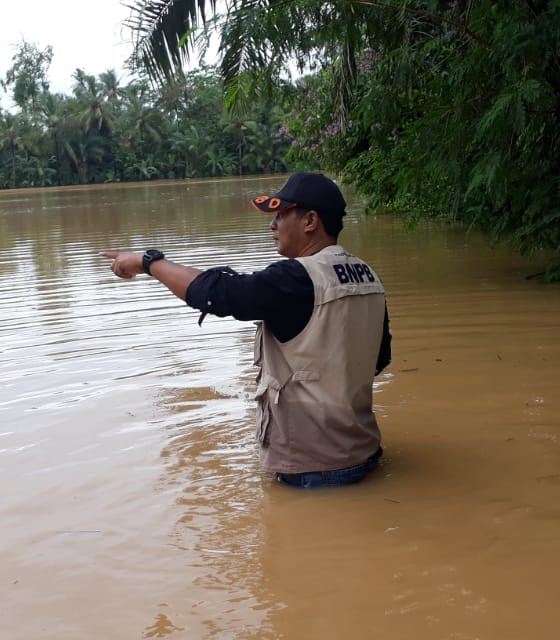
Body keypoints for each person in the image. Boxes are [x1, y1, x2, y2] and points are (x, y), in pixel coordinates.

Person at [100, 172, 391, 488]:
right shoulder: (368, 276)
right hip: (364, 453)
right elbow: (379, 359)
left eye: (281, 215)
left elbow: (217, 293)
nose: (273, 225)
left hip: (315, 469)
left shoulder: (296, 279)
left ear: (309, 221)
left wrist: (149, 263)